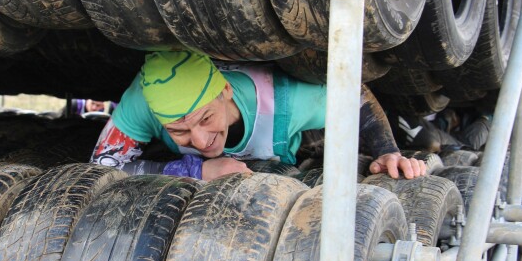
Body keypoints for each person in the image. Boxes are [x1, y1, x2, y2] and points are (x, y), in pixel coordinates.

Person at [90, 50, 426, 181]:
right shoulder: (143, 101)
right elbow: (102, 168)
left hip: (293, 133)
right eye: (179, 131)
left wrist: (387, 151)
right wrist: (195, 169)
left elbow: (355, 95)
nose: (201, 141)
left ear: (225, 91)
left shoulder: (289, 100)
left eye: (206, 119)